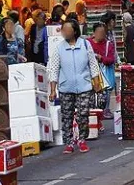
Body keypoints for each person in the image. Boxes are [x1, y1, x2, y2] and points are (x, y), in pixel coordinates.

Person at [48, 20, 100, 154]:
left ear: (75, 31)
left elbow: (93, 64)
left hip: (84, 86)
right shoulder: (59, 48)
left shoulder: (85, 44)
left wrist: (96, 82)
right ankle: (69, 142)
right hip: (66, 88)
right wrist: (53, 90)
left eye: (67, 30)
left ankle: (82, 139)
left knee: (83, 114)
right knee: (67, 116)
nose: (64, 32)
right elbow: (54, 69)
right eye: (63, 30)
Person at [89, 22, 116, 114]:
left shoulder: (108, 44)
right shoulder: (87, 43)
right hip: (90, 74)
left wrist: (101, 58)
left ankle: (104, 110)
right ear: (94, 33)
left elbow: (111, 59)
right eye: (99, 32)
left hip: (104, 75)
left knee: (105, 92)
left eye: (103, 33)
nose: (101, 35)